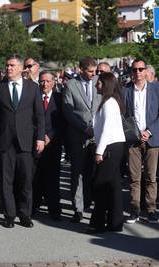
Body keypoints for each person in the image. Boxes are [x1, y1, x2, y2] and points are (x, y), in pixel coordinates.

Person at [0, 54, 45, 228]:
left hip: (26, 141)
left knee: (26, 181)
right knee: (6, 181)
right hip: (4, 141)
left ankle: (25, 214)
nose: (8, 68)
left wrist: (40, 138)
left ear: (20, 68)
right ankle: (9, 215)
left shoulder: (32, 88)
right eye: (7, 65)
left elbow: (39, 115)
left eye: (12, 65)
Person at [63, 56, 101, 223]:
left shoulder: (99, 82)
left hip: (98, 136)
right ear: (81, 70)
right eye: (90, 71)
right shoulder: (71, 85)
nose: (94, 74)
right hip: (79, 136)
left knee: (93, 172)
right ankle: (77, 208)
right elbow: (68, 112)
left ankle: (89, 202)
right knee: (77, 173)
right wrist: (84, 128)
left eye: (95, 71)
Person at [88, 72, 126, 233]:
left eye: (99, 83)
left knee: (101, 185)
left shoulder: (109, 103)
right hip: (114, 145)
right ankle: (115, 222)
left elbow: (107, 129)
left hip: (110, 146)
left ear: (106, 85)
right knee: (114, 185)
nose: (97, 85)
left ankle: (98, 224)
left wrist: (99, 151)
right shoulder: (110, 102)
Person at [123, 59, 159, 224]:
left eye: (141, 69)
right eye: (135, 69)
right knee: (134, 177)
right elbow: (123, 115)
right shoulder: (126, 91)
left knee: (151, 177)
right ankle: (135, 210)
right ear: (131, 72)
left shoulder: (156, 89)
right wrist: (134, 133)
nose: (138, 72)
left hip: (153, 139)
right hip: (133, 140)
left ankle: (151, 209)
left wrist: (149, 131)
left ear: (146, 71)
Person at [32, 71, 64, 221]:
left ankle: (54, 209)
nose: (45, 84)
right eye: (42, 81)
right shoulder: (33, 97)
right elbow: (29, 119)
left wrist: (50, 136)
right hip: (36, 143)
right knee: (35, 176)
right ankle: (33, 206)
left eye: (48, 81)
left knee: (53, 178)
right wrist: (39, 135)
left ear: (53, 82)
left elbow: (62, 121)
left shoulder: (59, 98)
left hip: (53, 144)